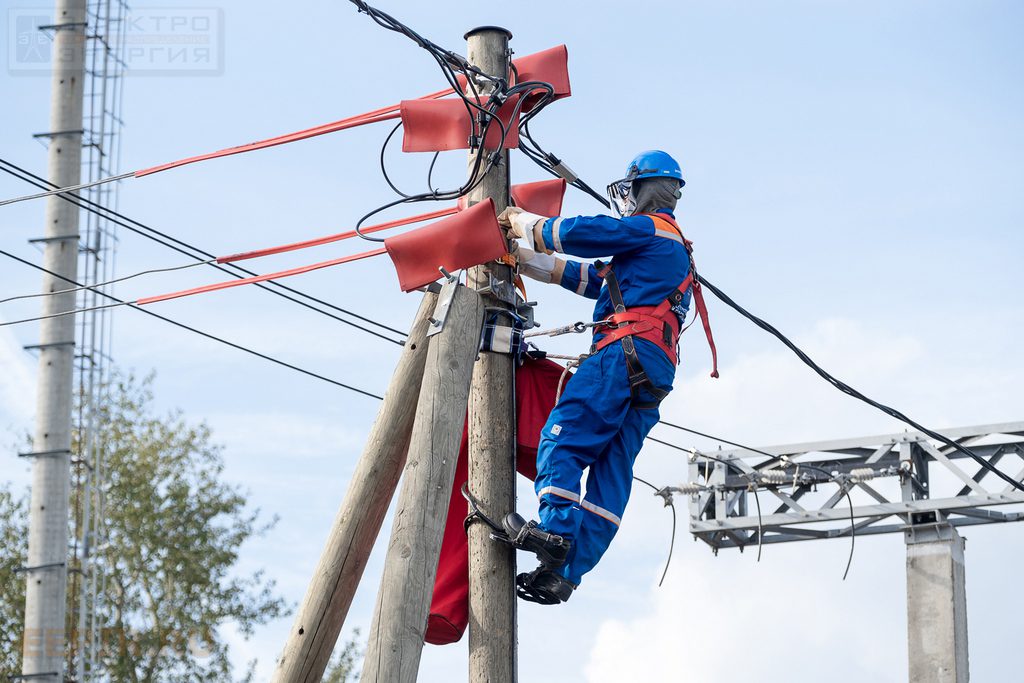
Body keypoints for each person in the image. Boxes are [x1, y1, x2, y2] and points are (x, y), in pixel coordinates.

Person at [496, 150, 716, 605]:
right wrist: (525, 259)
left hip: (619, 354)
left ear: (643, 189)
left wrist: (528, 225)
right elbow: (597, 280)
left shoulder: (649, 228)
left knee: (563, 438)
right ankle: (567, 572)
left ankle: (555, 532)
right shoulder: (668, 253)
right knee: (613, 469)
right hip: (654, 370)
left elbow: (590, 233)